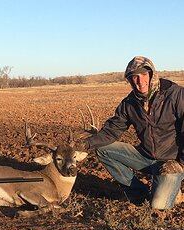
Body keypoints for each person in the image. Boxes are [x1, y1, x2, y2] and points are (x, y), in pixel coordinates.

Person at [76, 56, 184, 209]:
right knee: (103, 149)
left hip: (171, 163)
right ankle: (137, 192)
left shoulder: (176, 95)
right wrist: (86, 143)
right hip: (146, 156)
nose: (140, 82)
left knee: (158, 206)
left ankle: (175, 190)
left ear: (152, 74)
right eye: (135, 78)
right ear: (130, 80)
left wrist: (180, 164)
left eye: (144, 76)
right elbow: (111, 131)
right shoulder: (130, 103)